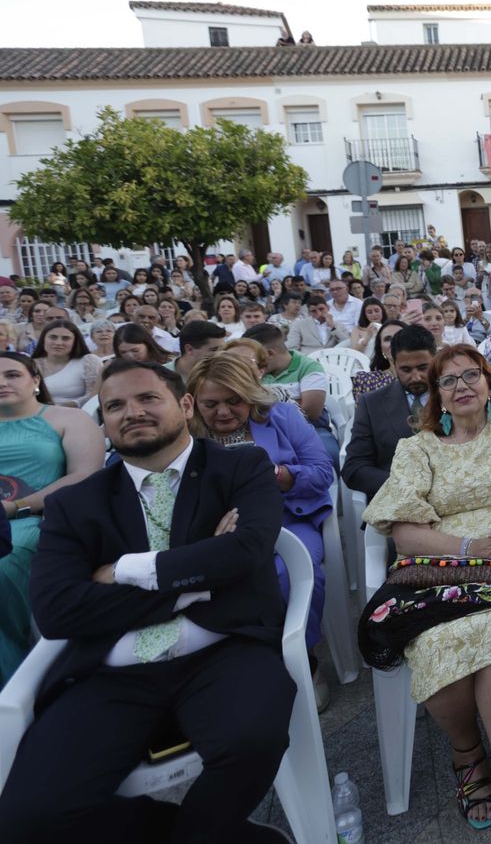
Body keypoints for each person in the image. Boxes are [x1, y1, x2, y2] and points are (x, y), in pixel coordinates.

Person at [0, 360, 293, 842]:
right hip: (112, 670)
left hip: (224, 648)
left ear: (185, 404)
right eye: (114, 405)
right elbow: (57, 611)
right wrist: (195, 579)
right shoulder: (77, 502)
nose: (131, 412)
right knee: (26, 820)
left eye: (147, 399)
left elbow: (246, 550)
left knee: (251, 742)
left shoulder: (240, 466)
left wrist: (123, 572)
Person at [360, 345, 491, 840]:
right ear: (437, 398)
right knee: (434, 639)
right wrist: (474, 547)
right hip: (434, 567)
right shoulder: (418, 448)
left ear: (489, 383)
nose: (461, 386)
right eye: (447, 381)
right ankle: (467, 750)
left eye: (471, 375)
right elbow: (404, 534)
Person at [186, 352, 335, 701]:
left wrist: (279, 475)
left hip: (288, 521)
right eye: (211, 404)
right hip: (217, 530)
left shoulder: (281, 416)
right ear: (192, 402)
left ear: (251, 395)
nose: (223, 412)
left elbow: (322, 473)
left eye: (234, 401)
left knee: (287, 574)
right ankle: (245, 665)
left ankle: (304, 660)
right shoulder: (185, 431)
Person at [0, 353, 101, 682]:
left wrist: (15, 507)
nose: (2, 383)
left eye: (12, 375)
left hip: (37, 519)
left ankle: (14, 681)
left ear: (36, 381)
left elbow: (85, 475)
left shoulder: (65, 418)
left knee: (4, 561)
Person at [343, 325, 434, 499]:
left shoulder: (454, 397)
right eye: (406, 370)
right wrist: (402, 485)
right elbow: (354, 468)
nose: (415, 377)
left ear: (435, 360)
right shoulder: (371, 403)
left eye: (423, 368)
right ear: (393, 363)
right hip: (394, 501)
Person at [244, 324, 338, 466]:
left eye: (254, 357)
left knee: (329, 454)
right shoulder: (255, 371)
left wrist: (264, 403)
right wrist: (293, 402)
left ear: (269, 353)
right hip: (263, 430)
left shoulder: (309, 367)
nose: (253, 362)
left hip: (312, 429)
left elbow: (311, 412)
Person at [30, 319, 101, 409]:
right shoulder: (32, 364)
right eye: (53, 337)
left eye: (65, 338)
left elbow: (94, 395)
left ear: (75, 341)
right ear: (43, 339)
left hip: (79, 414)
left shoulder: (89, 361)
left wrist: (64, 406)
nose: (58, 343)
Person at [352, 319, 407, 399]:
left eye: (400, 337)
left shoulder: (425, 375)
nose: (394, 342)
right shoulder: (369, 380)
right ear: (381, 349)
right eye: (388, 339)